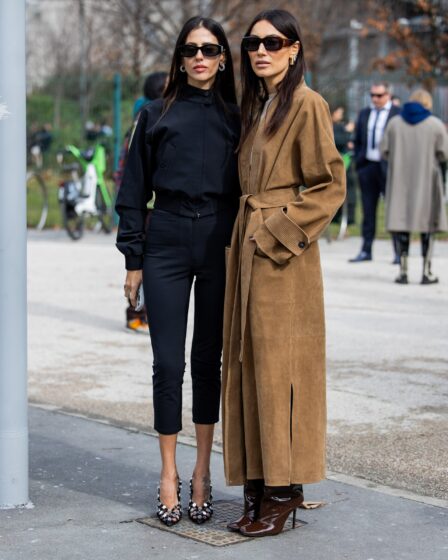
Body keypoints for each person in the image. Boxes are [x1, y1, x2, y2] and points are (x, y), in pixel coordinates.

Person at [222, 9, 345, 538]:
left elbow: (329, 184)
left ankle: (284, 488)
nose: (260, 50)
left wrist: (273, 233)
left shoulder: (308, 104)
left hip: (281, 260)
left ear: (295, 48)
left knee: (280, 371)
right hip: (246, 252)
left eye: (273, 42)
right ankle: (257, 482)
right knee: (248, 367)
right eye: (252, 42)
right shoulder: (257, 104)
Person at [115, 16, 240, 526]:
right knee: (168, 364)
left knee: (207, 361)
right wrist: (133, 259)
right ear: (180, 57)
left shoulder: (239, 117)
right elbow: (132, 191)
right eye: (191, 50)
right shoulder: (153, 113)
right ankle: (167, 474)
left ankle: (201, 474)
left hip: (218, 238)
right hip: (165, 236)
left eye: (210, 50)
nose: (200, 59)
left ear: (223, 58)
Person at [114, 71, 168, 334]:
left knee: (148, 263)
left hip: (152, 206)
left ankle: (140, 312)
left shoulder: (145, 114)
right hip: (148, 205)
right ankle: (137, 312)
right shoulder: (148, 117)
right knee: (143, 262)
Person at [380, 89, 448, 284]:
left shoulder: (394, 124)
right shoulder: (435, 125)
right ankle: (426, 272)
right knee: (427, 225)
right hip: (426, 180)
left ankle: (403, 272)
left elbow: (384, 151)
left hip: (400, 180)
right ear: (428, 103)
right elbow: (444, 153)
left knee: (402, 225)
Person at [349, 81, 400, 262]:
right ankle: (366, 250)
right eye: (372, 95)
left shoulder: (397, 114)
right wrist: (358, 161)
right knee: (368, 210)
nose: (375, 99)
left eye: (379, 95)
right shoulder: (365, 113)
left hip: (388, 168)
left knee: (393, 210)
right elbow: (358, 139)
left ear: (388, 95)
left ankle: (398, 252)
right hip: (368, 166)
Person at [331, 105, 356, 225]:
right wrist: (347, 132)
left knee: (349, 190)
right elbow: (335, 140)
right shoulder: (330, 126)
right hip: (335, 162)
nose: (340, 115)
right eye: (338, 112)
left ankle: (349, 217)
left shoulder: (341, 125)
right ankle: (336, 216)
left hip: (346, 161)